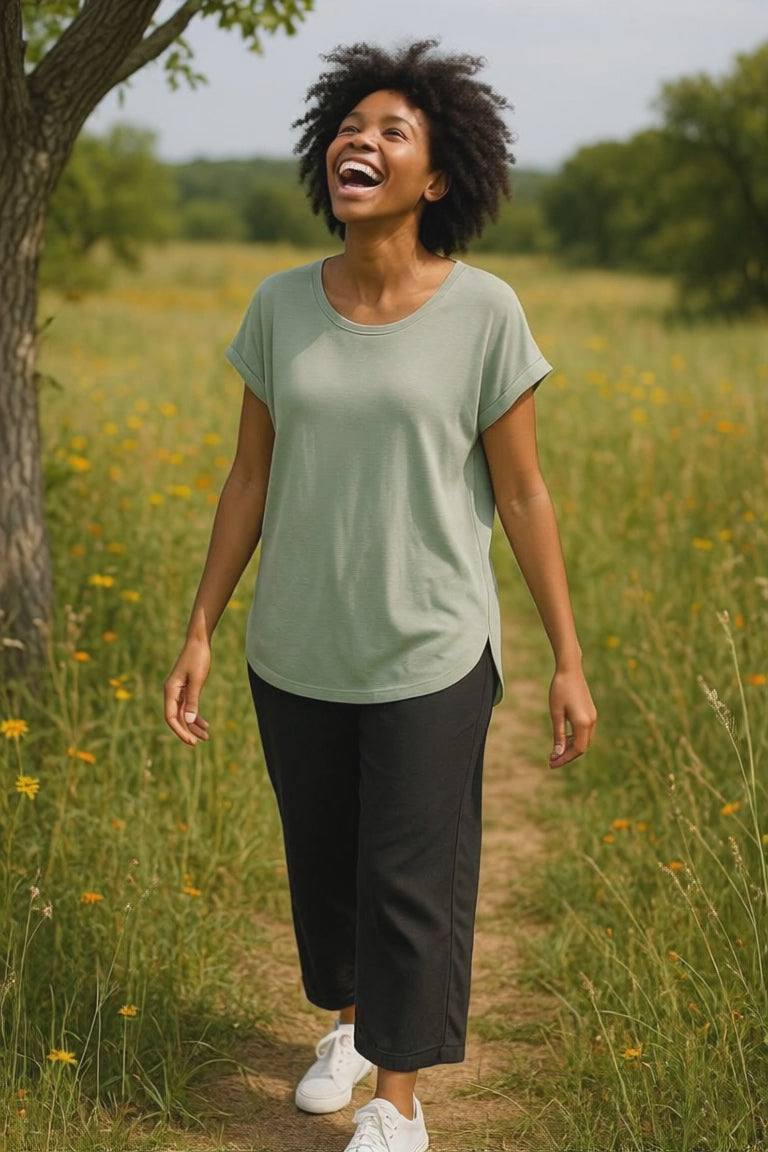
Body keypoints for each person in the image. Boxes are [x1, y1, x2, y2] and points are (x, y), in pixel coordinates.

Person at [164, 39, 597, 1152]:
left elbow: (526, 493)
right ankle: (349, 1030)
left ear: (438, 177)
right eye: (349, 128)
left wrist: (568, 657)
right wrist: (202, 627)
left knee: (410, 871)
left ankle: (399, 1104)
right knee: (326, 863)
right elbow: (249, 477)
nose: (362, 140)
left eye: (392, 131)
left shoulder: (486, 313)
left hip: (434, 647)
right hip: (296, 642)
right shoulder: (278, 305)